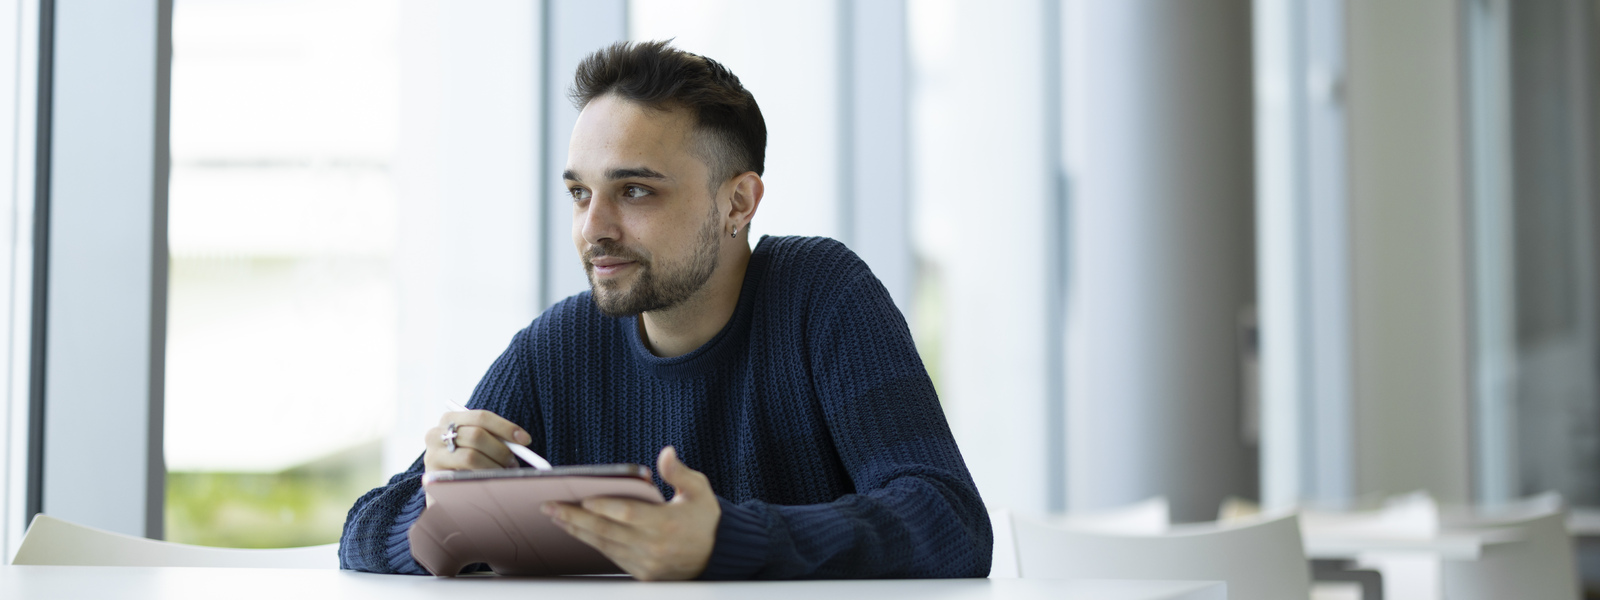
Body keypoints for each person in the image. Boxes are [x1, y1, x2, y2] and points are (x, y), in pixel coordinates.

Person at [338, 40, 991, 580]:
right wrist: (440, 497)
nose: (594, 228)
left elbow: (949, 520)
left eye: (635, 190)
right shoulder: (560, 344)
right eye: (579, 193)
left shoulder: (820, 295)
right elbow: (365, 529)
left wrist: (723, 540)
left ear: (738, 203)